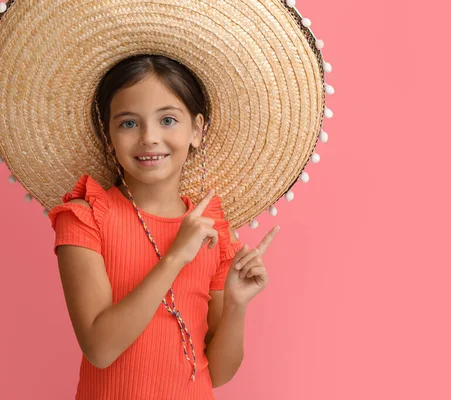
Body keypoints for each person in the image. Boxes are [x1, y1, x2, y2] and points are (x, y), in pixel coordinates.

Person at [0, 1, 330, 399]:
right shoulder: (85, 219)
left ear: (197, 129)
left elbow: (219, 373)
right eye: (128, 123)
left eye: (168, 119)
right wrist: (176, 256)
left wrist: (239, 304)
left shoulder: (212, 229)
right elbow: (100, 349)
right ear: (108, 135)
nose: (149, 137)